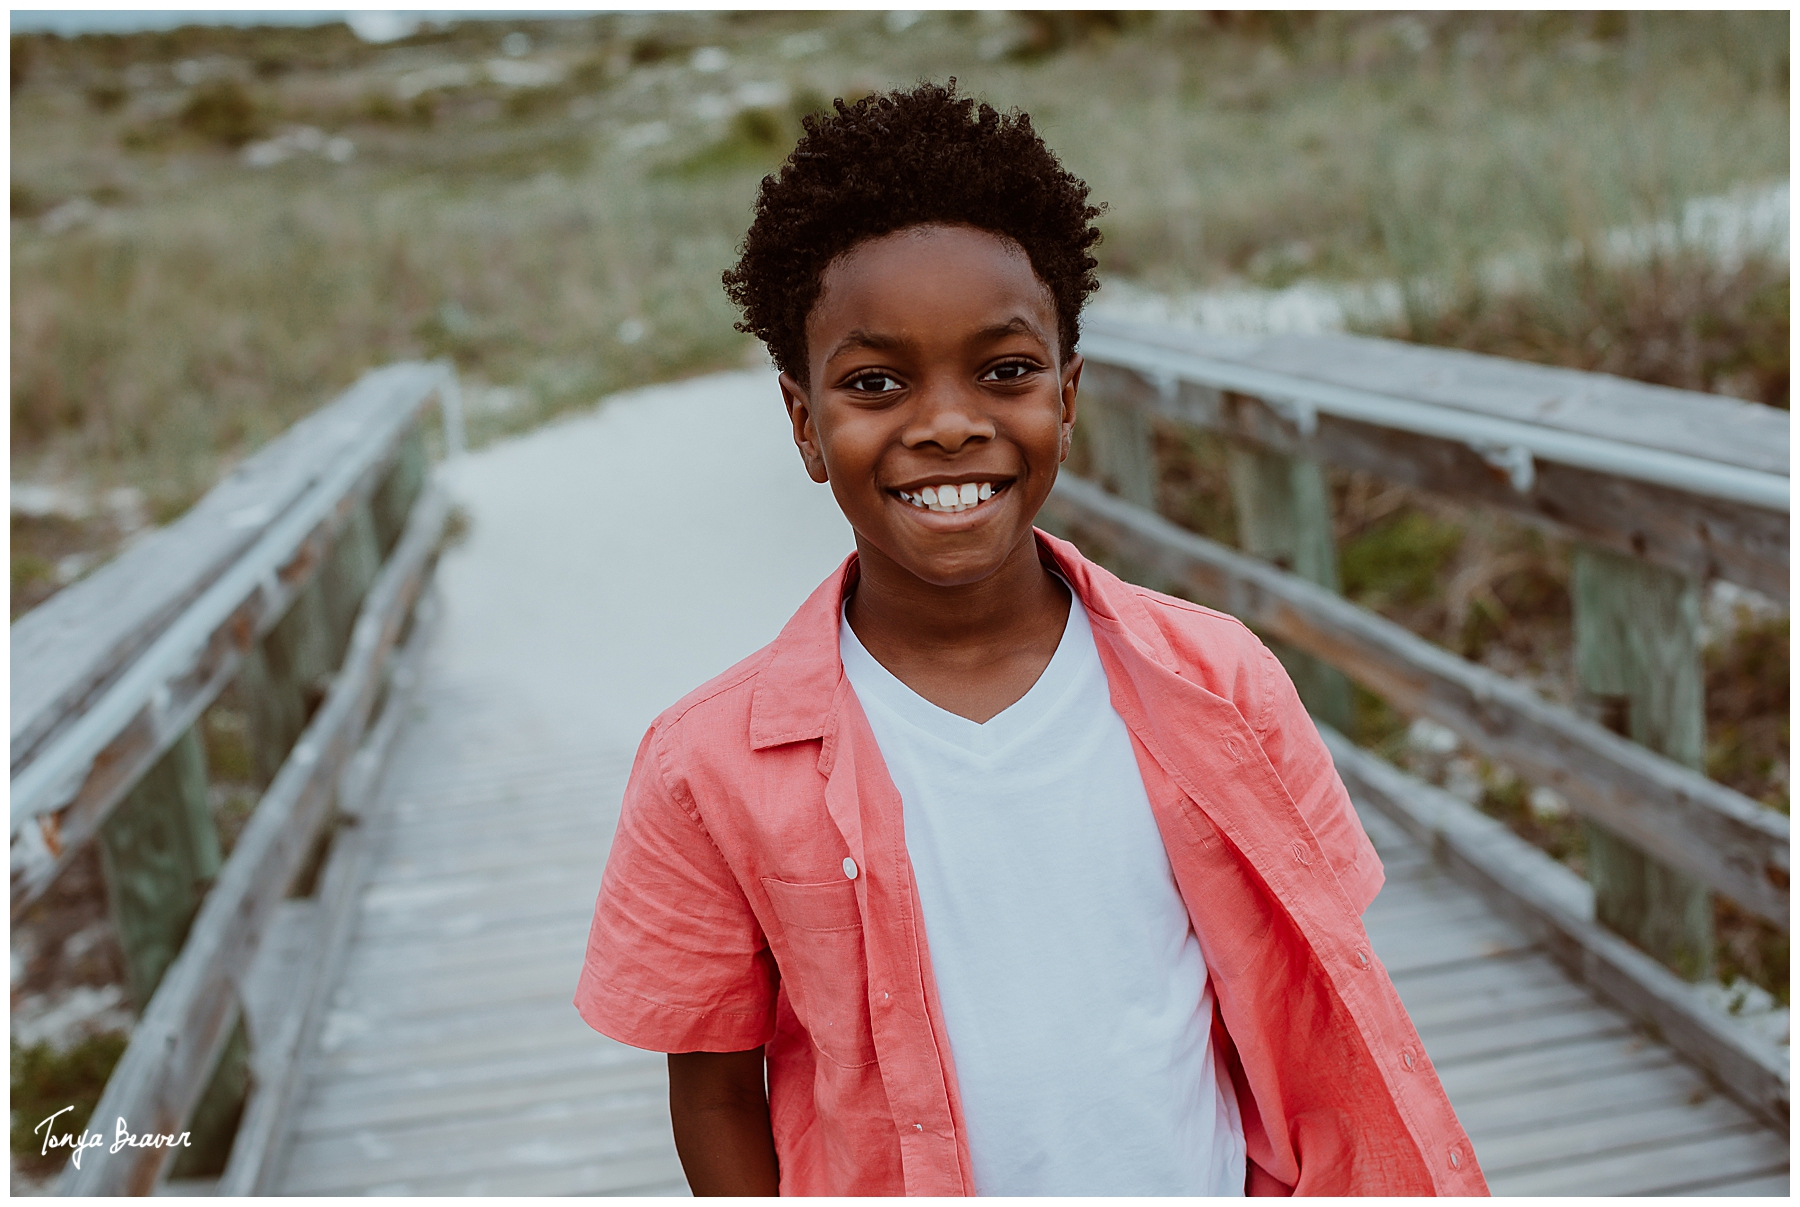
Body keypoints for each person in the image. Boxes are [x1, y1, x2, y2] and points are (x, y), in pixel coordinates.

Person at [574, 80, 1486, 1197]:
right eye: (875, 383)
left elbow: (1319, 992)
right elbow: (714, 1089)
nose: (949, 422)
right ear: (806, 423)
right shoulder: (705, 768)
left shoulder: (1225, 682)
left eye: (1004, 371)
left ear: (1067, 397)